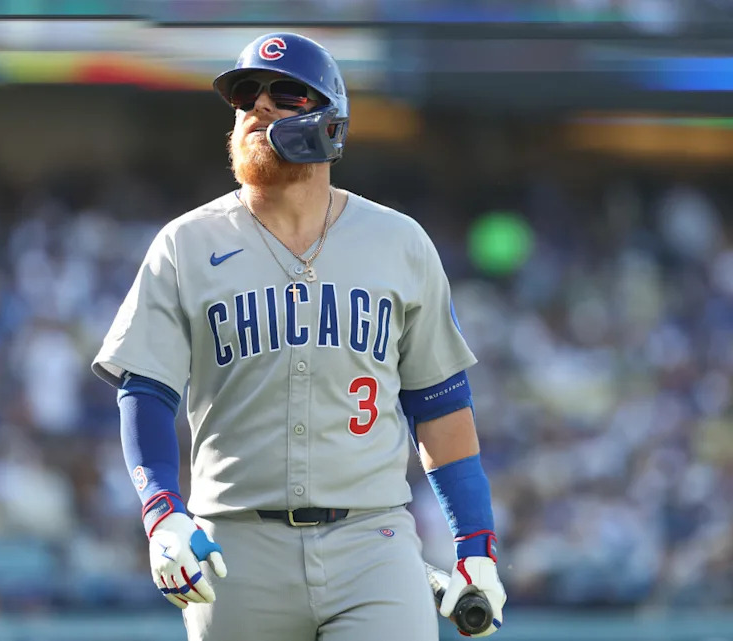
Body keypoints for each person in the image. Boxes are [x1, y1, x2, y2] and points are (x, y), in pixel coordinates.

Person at [92, 31, 506, 641]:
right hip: (234, 543)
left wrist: (476, 545)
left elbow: (439, 405)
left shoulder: (400, 242)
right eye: (245, 96)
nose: (258, 107)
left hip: (373, 541)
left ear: (331, 124)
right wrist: (161, 513)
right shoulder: (185, 244)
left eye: (285, 94)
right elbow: (146, 390)